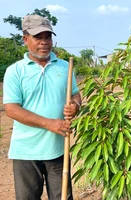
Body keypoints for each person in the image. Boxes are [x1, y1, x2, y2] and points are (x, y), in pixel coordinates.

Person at [3, 15, 81, 200]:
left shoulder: (64, 67)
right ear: (25, 39)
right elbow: (12, 109)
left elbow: (75, 94)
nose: (44, 42)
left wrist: (75, 105)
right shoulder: (15, 71)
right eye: (39, 37)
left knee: (62, 197)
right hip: (26, 152)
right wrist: (49, 124)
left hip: (59, 149)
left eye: (48, 37)